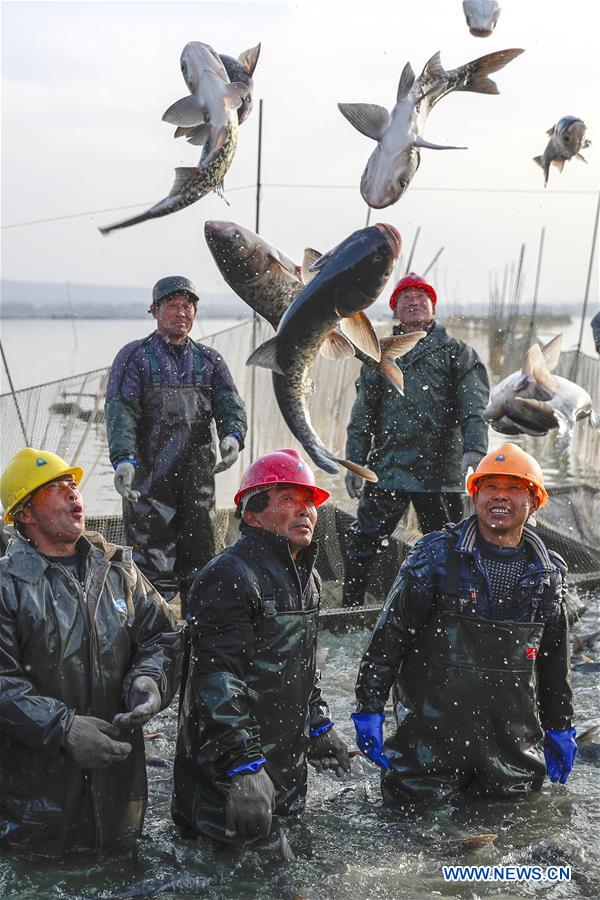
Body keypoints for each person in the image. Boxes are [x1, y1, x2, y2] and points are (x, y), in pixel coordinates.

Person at [352, 443, 576, 807]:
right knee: (415, 842)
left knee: (511, 847)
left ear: (534, 501)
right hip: (427, 754)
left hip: (511, 757)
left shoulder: (548, 575)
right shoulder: (434, 556)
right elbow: (388, 640)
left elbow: (554, 662)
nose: (500, 497)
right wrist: (369, 706)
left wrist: (560, 723)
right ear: (474, 496)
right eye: (490, 487)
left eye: (514, 488)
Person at [0, 448, 182, 857]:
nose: (73, 494)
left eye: (73, 485)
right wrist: (62, 727)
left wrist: (150, 680)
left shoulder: (119, 570)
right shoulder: (7, 585)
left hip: (119, 792)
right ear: (25, 514)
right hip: (37, 811)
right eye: (56, 488)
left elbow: (163, 637)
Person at [172, 449, 350, 845]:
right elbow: (216, 681)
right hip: (228, 778)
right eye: (287, 499)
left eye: (309, 502)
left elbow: (304, 667)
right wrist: (244, 766)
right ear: (252, 514)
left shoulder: (309, 580)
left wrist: (318, 723)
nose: (304, 510)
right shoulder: (228, 575)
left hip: (281, 771)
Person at [342, 272, 490, 607]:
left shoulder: (456, 352)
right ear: (395, 310)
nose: (414, 301)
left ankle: (451, 609)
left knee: (453, 548)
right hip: (389, 467)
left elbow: (474, 405)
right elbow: (362, 415)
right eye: (405, 297)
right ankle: (348, 608)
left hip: (441, 471)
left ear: (433, 309)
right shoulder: (378, 353)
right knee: (363, 542)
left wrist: (475, 448)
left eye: (422, 296)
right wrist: (354, 461)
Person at [105, 275, 247, 614]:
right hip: (149, 485)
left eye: (187, 305)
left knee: (200, 563)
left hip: (197, 484)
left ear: (195, 312)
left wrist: (233, 437)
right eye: (172, 305)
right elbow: (120, 412)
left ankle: (198, 634)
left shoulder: (210, 360)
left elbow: (230, 406)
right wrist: (123, 459)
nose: (180, 312)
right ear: (154, 310)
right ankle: (154, 636)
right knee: (151, 568)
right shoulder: (134, 357)